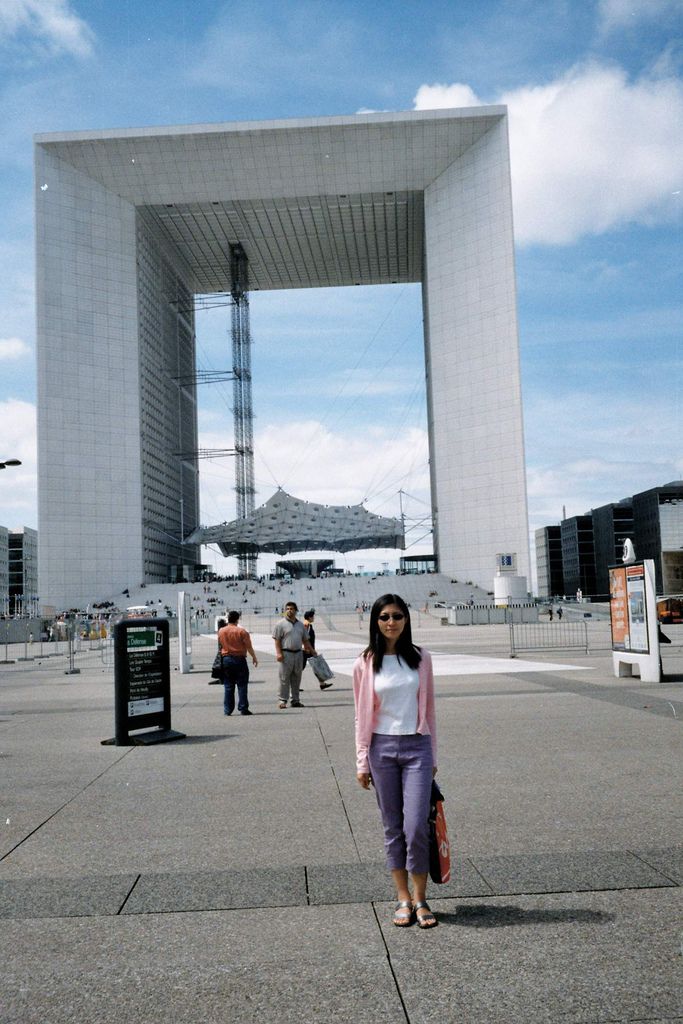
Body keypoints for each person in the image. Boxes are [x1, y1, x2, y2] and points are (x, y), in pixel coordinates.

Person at [353, 593, 438, 929]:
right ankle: (403, 897)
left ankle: (421, 899)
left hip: (417, 747)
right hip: (381, 749)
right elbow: (361, 715)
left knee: (416, 826)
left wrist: (433, 755)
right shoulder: (365, 662)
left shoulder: (421, 658)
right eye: (385, 616)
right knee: (393, 827)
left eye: (398, 616)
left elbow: (430, 709)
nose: (392, 623)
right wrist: (362, 760)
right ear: (376, 620)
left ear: (407, 619)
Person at [272, 601, 315, 709]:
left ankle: (295, 700)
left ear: (296, 610)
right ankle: (282, 700)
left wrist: (312, 650)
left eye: (291, 609)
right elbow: (277, 640)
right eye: (287, 609)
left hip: (298, 653)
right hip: (286, 653)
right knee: (284, 678)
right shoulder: (280, 624)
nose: (289, 611)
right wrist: (278, 653)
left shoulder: (300, 625)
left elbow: (305, 640)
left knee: (297, 678)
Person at [217, 610, 258, 716]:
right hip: (239, 659)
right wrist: (254, 657)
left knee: (228, 685)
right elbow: (248, 646)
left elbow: (220, 645)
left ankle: (228, 709)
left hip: (226, 659)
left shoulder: (221, 631)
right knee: (242, 684)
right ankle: (243, 708)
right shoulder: (242, 631)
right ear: (237, 619)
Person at [303, 609, 333, 691]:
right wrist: (311, 650)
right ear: (309, 617)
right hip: (307, 650)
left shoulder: (307, 624)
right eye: (313, 616)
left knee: (315, 666)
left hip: (308, 649)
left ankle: (322, 683)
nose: (314, 618)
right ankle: (293, 685)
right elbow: (305, 638)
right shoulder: (306, 625)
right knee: (302, 668)